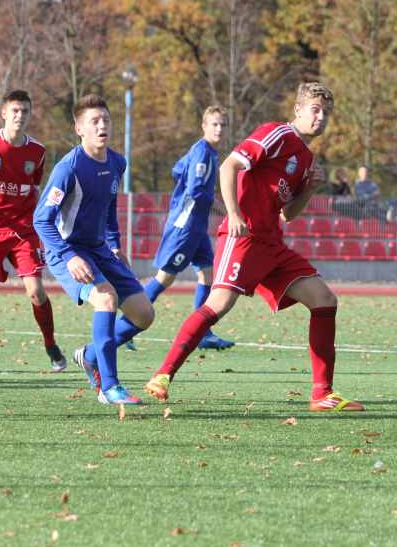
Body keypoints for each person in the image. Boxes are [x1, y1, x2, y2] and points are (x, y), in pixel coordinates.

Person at [143, 82, 364, 413]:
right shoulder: (276, 133)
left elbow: (288, 214)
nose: (321, 118)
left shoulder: (307, 158)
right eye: (315, 110)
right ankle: (163, 374)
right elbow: (228, 166)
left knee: (324, 300)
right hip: (243, 236)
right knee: (219, 304)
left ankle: (322, 394)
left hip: (272, 243)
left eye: (326, 113)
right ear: (298, 110)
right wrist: (233, 214)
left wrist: (310, 189)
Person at [34, 95, 155, 406]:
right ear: (79, 129)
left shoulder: (117, 162)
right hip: (66, 251)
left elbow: (110, 207)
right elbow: (41, 220)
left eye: (106, 120)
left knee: (144, 314)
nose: (103, 126)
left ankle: (89, 355)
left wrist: (115, 244)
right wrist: (69, 256)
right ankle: (109, 387)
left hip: (100, 248)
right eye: (94, 121)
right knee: (106, 298)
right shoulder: (69, 169)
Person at [0, 90, 65, 374]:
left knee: (36, 292)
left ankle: (51, 345)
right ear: (4, 113)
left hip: (22, 230)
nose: (20, 116)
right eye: (15, 111)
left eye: (25, 111)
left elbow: (35, 188)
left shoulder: (38, 152)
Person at [140, 106, 235, 351]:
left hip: (197, 226)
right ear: (204, 126)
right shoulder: (202, 151)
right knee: (165, 277)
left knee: (207, 274)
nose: (219, 129)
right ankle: (129, 317)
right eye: (214, 124)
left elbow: (177, 170)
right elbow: (196, 191)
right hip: (186, 226)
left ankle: (202, 333)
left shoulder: (206, 152)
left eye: (223, 125)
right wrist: (228, 211)